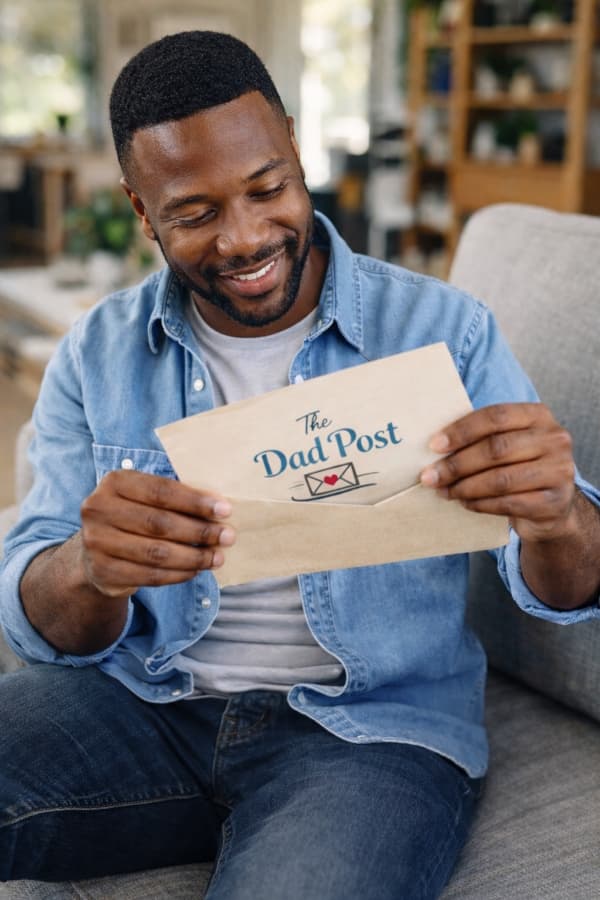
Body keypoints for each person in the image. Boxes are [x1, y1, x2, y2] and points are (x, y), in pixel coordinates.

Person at [1, 30, 599, 899]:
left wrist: (558, 515)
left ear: (293, 144)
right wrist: (88, 568)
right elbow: (40, 621)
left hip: (368, 736)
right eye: (194, 214)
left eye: (267, 188)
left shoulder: (444, 331)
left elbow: (566, 584)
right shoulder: (97, 353)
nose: (245, 238)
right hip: (144, 706)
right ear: (141, 210)